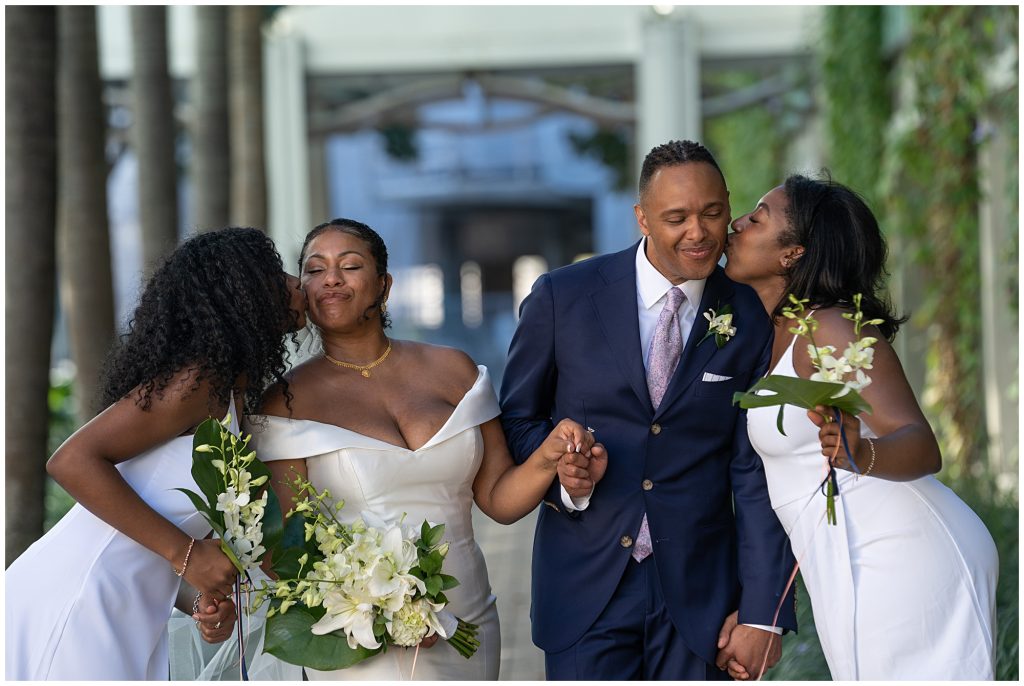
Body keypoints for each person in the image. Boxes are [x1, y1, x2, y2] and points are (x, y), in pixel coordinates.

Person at [246, 218, 601, 680]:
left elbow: (498, 498)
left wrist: (548, 457)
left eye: (349, 266)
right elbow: (283, 550)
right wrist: (378, 612)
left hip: (468, 615)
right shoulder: (284, 402)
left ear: (384, 286)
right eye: (314, 270)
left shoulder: (452, 369)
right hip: (362, 638)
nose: (331, 278)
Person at [499, 140, 797, 680]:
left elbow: (754, 471)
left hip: (701, 595)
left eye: (711, 213)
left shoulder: (750, 314)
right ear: (641, 218)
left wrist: (764, 614)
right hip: (584, 586)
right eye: (676, 217)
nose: (698, 232)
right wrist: (562, 479)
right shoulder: (562, 297)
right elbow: (518, 420)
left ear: (729, 204)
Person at [723, 173, 998, 680]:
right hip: (844, 555)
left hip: (898, 552)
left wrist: (859, 453)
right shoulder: (778, 328)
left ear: (793, 253)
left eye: (757, 218)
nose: (737, 224)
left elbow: (919, 442)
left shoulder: (830, 327)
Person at [5, 227, 306, 680]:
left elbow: (155, 525)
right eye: (278, 272)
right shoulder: (196, 382)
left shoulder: (232, 393)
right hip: (80, 599)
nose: (296, 283)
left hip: (129, 613)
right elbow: (71, 461)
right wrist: (188, 555)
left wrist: (198, 599)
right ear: (243, 291)